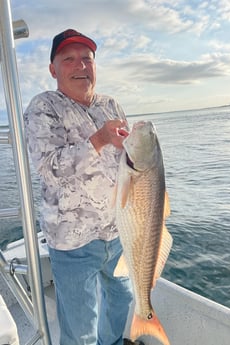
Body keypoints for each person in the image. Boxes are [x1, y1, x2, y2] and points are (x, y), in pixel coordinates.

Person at [23, 29, 134, 345]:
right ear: (53, 69)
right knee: (80, 326)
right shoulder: (43, 107)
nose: (80, 66)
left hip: (118, 230)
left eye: (87, 58)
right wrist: (99, 139)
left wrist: (137, 147)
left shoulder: (111, 104)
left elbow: (128, 162)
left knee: (121, 300)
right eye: (69, 59)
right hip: (73, 240)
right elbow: (49, 168)